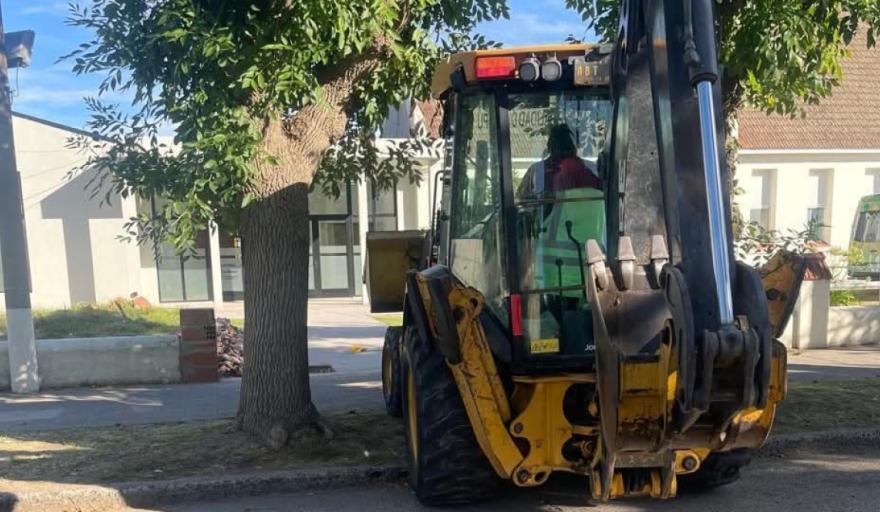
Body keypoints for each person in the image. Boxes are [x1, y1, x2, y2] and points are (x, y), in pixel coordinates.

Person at [517, 124, 601, 199]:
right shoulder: (537, 170)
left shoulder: (591, 168)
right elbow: (522, 201)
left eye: (567, 146)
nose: (563, 151)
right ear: (550, 146)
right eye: (558, 146)